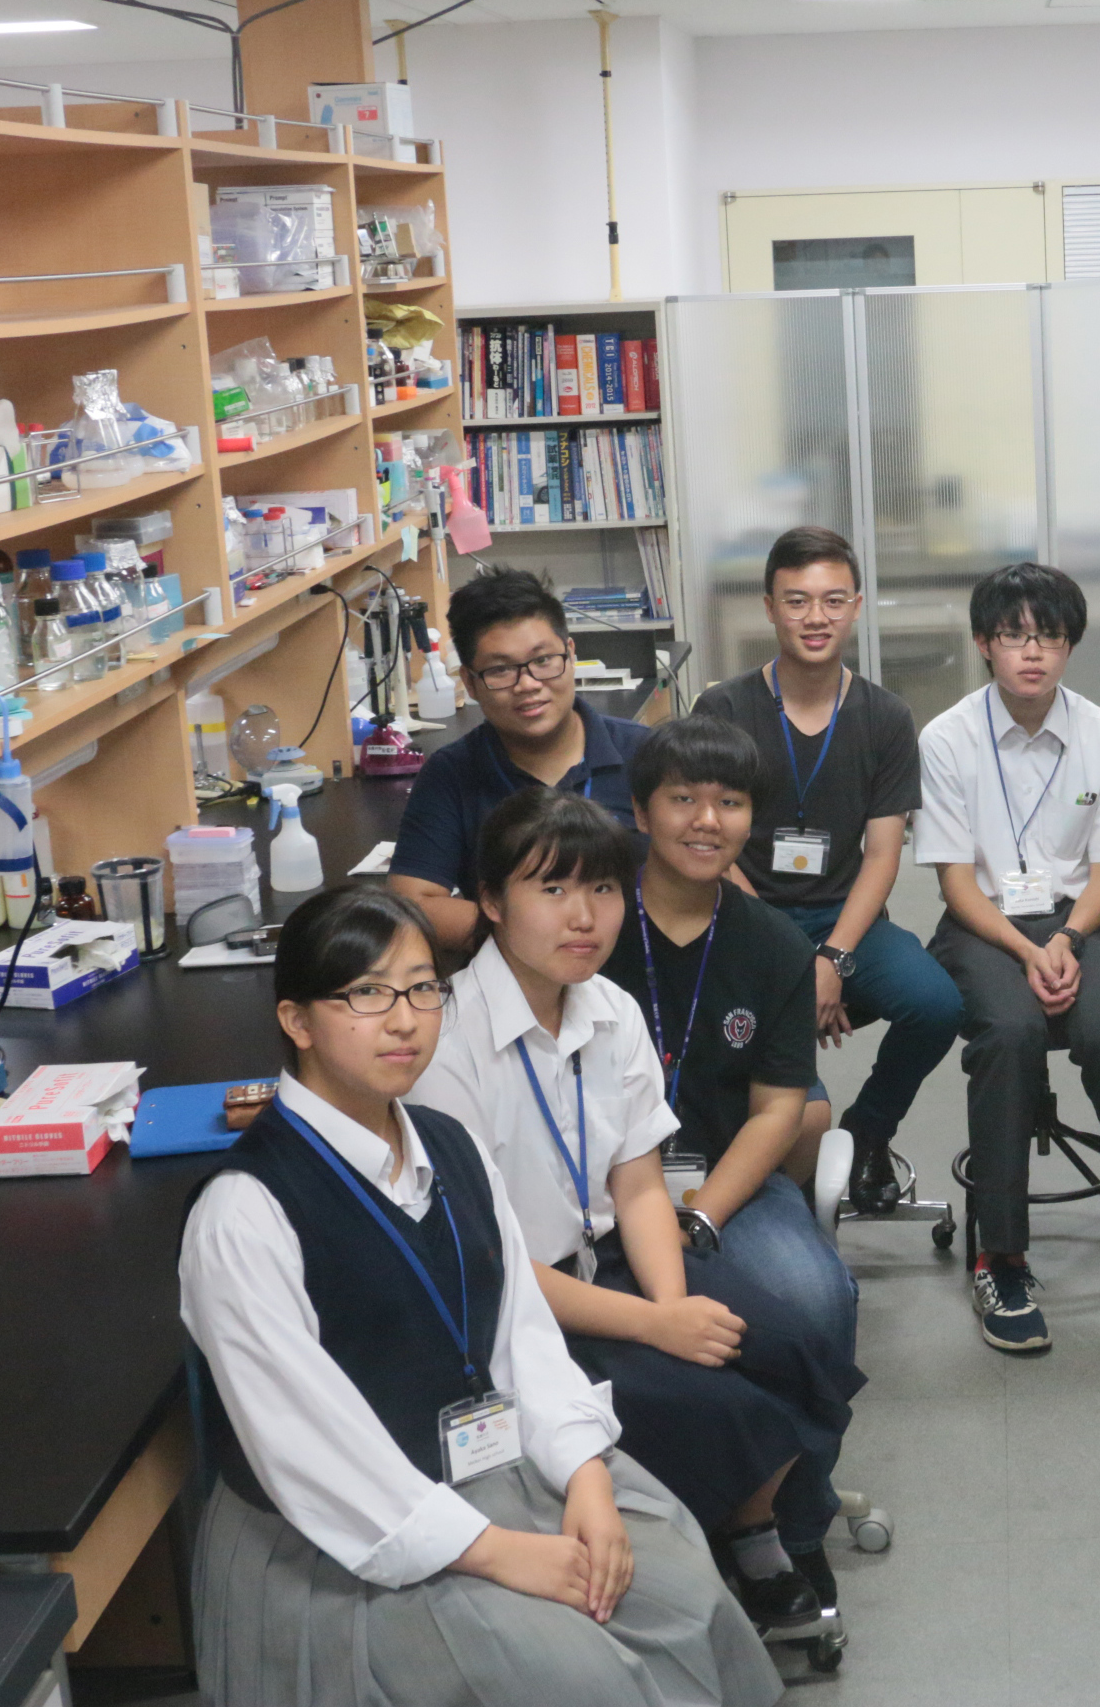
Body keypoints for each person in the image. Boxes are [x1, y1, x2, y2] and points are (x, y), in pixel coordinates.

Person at [179, 883, 778, 1707]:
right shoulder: (244, 1211)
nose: (404, 1019)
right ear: (298, 1020)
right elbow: (309, 1448)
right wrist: (497, 1551)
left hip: (488, 1469)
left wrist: (586, 1475)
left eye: (423, 987)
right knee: (579, 1677)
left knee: (687, 1595)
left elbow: (521, 1336)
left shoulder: (449, 1146)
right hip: (349, 1536)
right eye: (367, 993)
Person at [411, 787, 863, 1631]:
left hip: (609, 1257)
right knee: (722, 1399)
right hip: (515, 1303)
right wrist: (657, 1328)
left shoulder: (610, 1009)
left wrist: (671, 1307)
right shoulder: (448, 1042)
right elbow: (490, 1265)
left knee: (797, 1340)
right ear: (491, 900)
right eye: (552, 889)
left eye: (604, 888)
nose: (584, 916)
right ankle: (748, 1535)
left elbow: (640, 1183)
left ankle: (749, 1520)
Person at [917, 560, 1100, 1355]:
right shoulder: (947, 738)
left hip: (1077, 921)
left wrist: (1064, 941)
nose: (1033, 652)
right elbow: (956, 884)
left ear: (1070, 646)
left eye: (1049, 636)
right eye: (1014, 635)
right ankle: (1002, 1257)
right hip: (983, 923)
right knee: (1011, 1032)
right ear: (983, 643)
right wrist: (1026, 948)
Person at [693, 526, 963, 1216]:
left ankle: (867, 1133)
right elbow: (712, 850)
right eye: (797, 600)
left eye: (833, 600)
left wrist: (834, 957)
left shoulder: (886, 717)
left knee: (936, 1004)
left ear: (857, 607)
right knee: (793, 1096)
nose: (816, 617)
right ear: (769, 607)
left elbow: (883, 855)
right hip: (744, 918)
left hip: (847, 919)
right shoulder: (725, 710)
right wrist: (795, 961)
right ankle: (788, 1177)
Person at [600, 715, 862, 1386]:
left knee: (817, 1301)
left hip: (726, 1179)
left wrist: (701, 1217)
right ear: (641, 811)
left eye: (731, 802)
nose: (707, 821)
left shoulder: (774, 945)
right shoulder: (593, 928)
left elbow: (778, 1110)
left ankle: (794, 1452)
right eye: (683, 798)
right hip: (596, 1181)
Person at [393, 568, 651, 953]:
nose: (528, 684)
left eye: (543, 660)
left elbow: (710, 869)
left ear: (571, 654)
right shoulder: (452, 773)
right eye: (500, 670)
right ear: (470, 682)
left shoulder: (646, 753)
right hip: (515, 978)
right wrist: (531, 933)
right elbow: (411, 904)